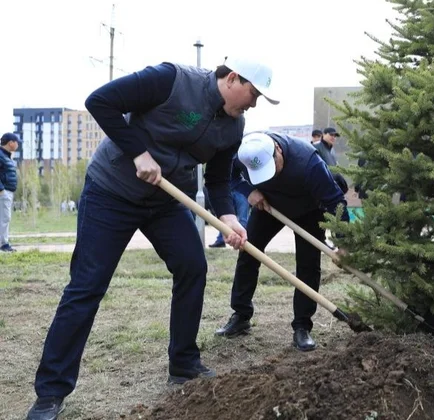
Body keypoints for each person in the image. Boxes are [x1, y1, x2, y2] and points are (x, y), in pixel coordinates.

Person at [25, 55, 279, 420]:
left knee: (193, 267)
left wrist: (228, 219)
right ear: (233, 78)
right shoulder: (171, 80)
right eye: (253, 94)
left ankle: (184, 363)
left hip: (167, 200)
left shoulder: (234, 126)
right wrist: (138, 153)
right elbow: (100, 101)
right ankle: (50, 392)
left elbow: (219, 180)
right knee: (87, 285)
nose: (253, 104)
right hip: (112, 190)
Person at [215, 130, 350, 352]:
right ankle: (241, 315)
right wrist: (248, 191)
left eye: (271, 168)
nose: (270, 176)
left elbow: (336, 201)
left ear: (278, 150)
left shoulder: (308, 162)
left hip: (308, 209)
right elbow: (225, 177)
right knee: (249, 252)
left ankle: (302, 326)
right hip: (268, 205)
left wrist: (344, 243)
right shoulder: (243, 154)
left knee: (308, 265)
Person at [209, 153, 251, 248]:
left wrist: (248, 192)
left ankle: (244, 241)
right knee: (225, 217)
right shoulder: (224, 154)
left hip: (240, 192)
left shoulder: (242, 155)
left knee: (242, 218)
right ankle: (220, 240)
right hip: (226, 191)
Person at [0, 132, 21, 252]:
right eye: (16, 142)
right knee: (5, 218)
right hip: (3, 192)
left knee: (4, 218)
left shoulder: (6, 156)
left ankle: (3, 242)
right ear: (10, 143)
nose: (18, 144)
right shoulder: (1, 155)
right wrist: (1, 189)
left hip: (7, 191)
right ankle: (4, 244)